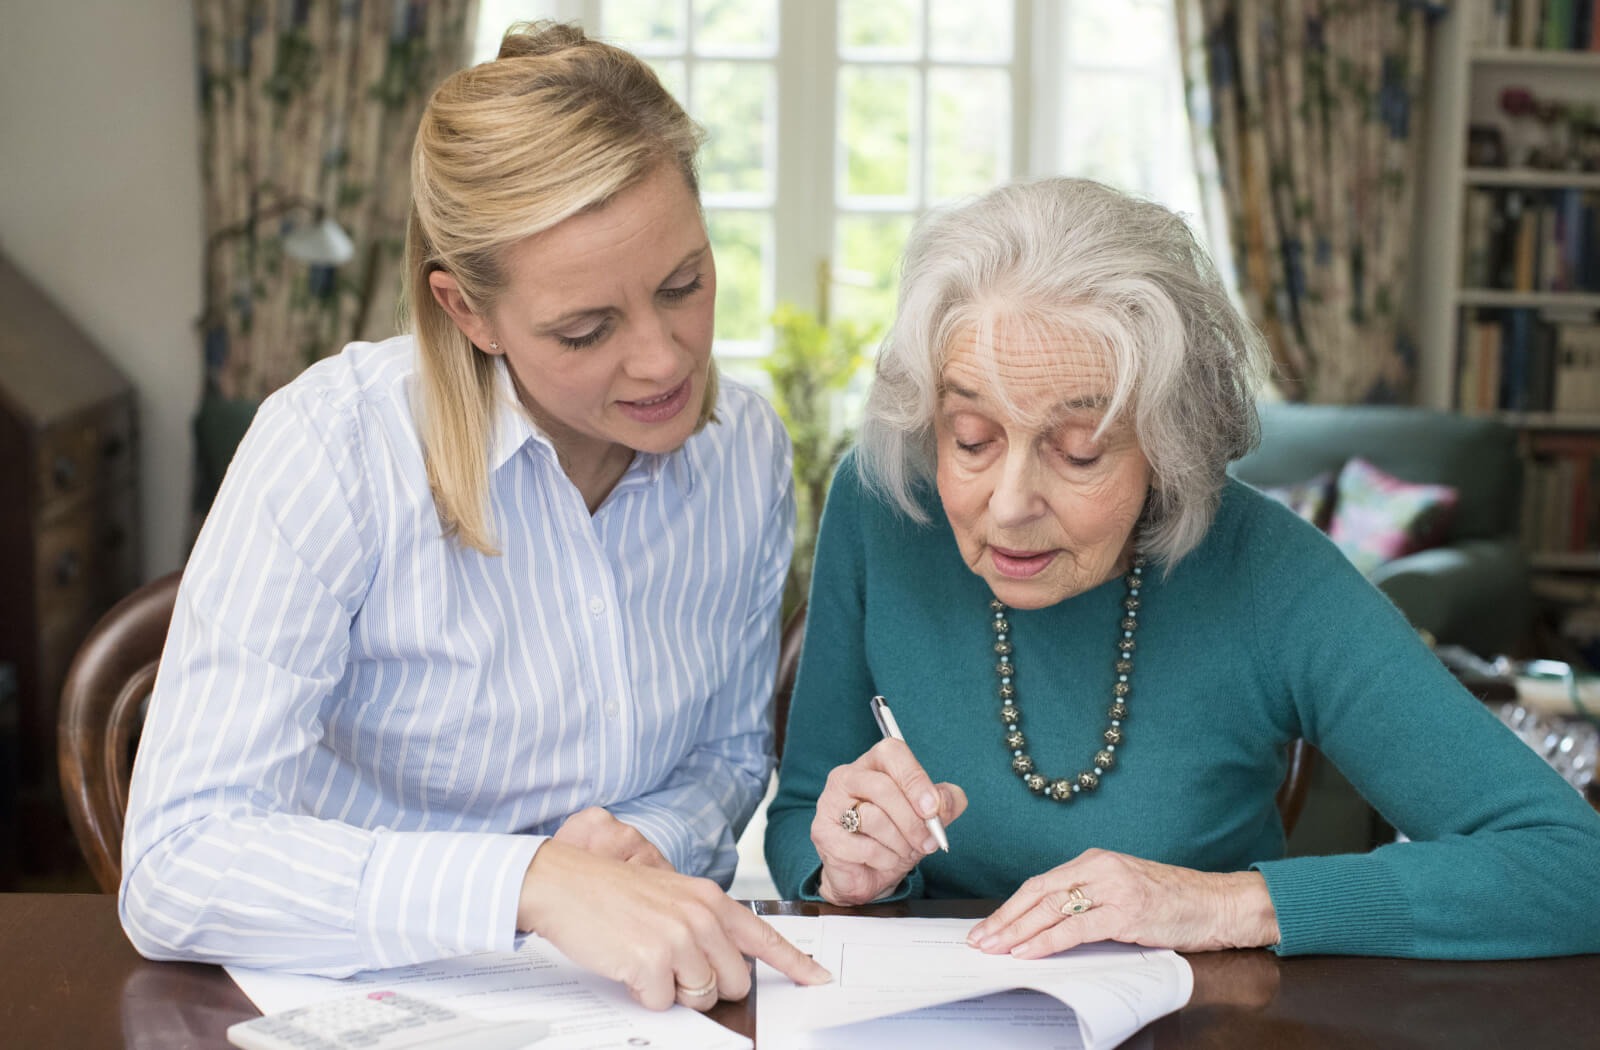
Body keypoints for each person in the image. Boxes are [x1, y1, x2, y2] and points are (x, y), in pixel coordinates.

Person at [120, 22, 829, 1009]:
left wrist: (646, 846)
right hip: (359, 999)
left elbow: (725, 756)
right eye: (585, 330)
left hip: (630, 1004)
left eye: (685, 285)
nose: (665, 360)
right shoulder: (334, 448)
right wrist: (531, 883)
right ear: (466, 311)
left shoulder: (744, 452)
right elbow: (177, 860)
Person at [765, 176, 1600, 959]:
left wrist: (1217, 904)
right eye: (972, 439)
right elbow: (805, 812)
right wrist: (849, 862)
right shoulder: (885, 504)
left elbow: (1571, 868)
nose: (1010, 503)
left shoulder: (1268, 571)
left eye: (1080, 452)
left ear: (1171, 449)